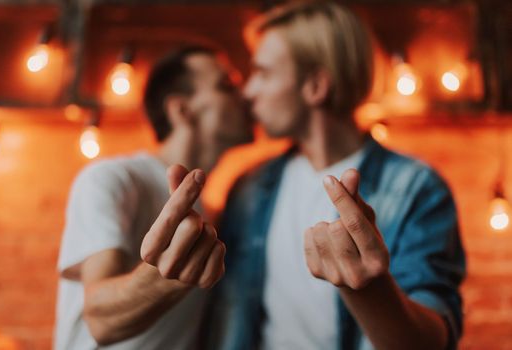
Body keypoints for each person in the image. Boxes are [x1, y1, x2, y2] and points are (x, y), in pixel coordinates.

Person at [196, 2, 466, 349]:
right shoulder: (249, 187)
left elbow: (435, 340)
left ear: (316, 86)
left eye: (262, 73)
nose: (249, 92)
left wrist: (371, 291)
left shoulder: (417, 189)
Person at [54, 46, 253, 350]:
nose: (247, 95)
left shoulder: (216, 214)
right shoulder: (111, 179)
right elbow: (100, 320)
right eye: (226, 85)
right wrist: (165, 278)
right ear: (181, 110)